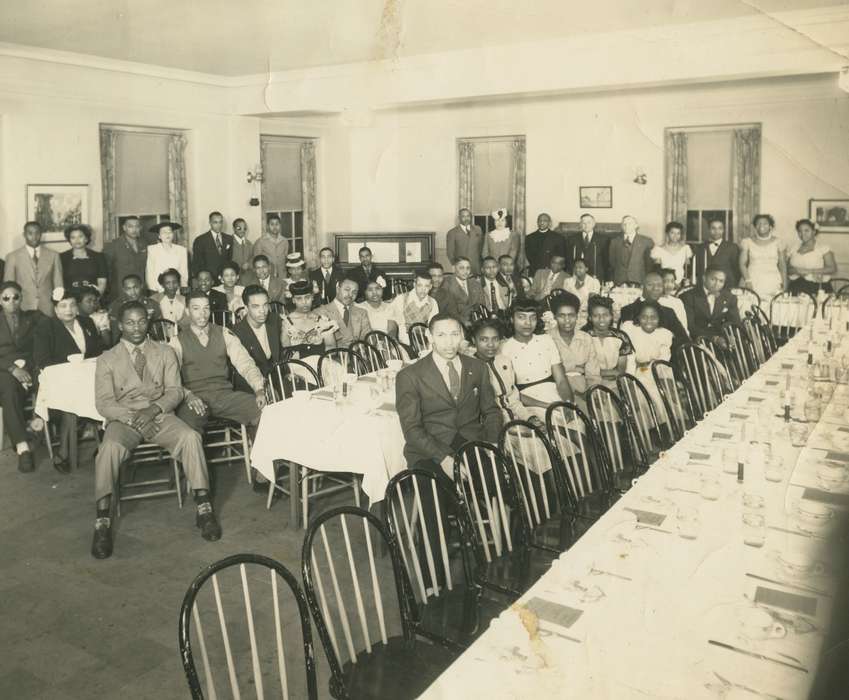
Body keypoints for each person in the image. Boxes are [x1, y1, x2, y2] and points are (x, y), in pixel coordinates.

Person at [91, 301, 219, 559]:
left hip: (159, 414)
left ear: (148, 322)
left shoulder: (164, 352)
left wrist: (153, 411)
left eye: (141, 321)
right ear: (119, 325)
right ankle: (102, 521)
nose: (136, 327)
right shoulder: (107, 359)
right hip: (124, 419)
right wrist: (133, 417)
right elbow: (104, 403)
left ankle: (204, 507)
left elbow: (174, 391)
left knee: (191, 437)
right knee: (108, 449)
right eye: (130, 322)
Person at [395, 313, 501, 584]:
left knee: (499, 484)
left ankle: (499, 559)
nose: (449, 342)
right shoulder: (410, 375)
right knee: (432, 500)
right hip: (429, 448)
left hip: (468, 441)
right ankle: (433, 580)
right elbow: (412, 430)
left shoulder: (476, 367)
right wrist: (443, 458)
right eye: (441, 335)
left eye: (455, 334)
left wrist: (491, 444)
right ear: (429, 338)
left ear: (463, 337)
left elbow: (491, 411)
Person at [171, 292, 267, 437]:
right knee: (188, 430)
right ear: (187, 311)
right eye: (196, 308)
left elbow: (245, 364)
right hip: (193, 399)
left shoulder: (224, 333)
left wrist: (259, 388)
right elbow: (171, 378)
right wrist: (188, 396)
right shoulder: (176, 341)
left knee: (264, 411)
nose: (202, 314)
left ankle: (261, 459)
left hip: (224, 396)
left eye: (206, 308)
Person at [33, 288, 104, 473]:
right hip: (60, 383)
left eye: (72, 304)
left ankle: (106, 444)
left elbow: (97, 351)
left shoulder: (86, 322)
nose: (69, 310)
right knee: (69, 404)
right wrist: (69, 365)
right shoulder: (46, 328)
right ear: (55, 310)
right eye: (63, 306)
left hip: (89, 379)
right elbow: (42, 360)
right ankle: (64, 453)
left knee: (107, 392)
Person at [500, 299, 574, 421]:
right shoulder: (504, 349)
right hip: (527, 403)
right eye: (521, 317)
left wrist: (567, 404)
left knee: (579, 428)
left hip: (555, 395)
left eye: (532, 318)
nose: (527, 323)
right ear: (512, 319)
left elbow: (561, 380)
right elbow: (511, 394)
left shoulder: (547, 340)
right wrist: (547, 406)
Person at [0, 281, 41, 472]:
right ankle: (23, 448)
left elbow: (42, 345)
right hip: (4, 370)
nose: (12, 302)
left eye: (15, 297)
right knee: (8, 390)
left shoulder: (32, 318)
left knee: (52, 383)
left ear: (21, 298)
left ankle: (60, 435)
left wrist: (30, 367)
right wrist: (12, 369)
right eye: (6, 298)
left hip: (31, 367)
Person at [472, 317, 541, 428]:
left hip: (517, 418)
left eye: (495, 339)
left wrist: (529, 417)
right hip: (493, 426)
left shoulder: (504, 361)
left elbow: (513, 400)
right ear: (474, 340)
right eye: (484, 340)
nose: (491, 345)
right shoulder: (469, 368)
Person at [620, 300, 673, 423]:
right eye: (644, 317)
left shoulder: (664, 334)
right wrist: (630, 385)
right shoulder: (631, 330)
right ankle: (647, 432)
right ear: (638, 317)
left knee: (663, 396)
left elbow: (663, 364)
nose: (649, 321)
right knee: (641, 396)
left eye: (653, 317)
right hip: (635, 373)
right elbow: (630, 362)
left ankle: (665, 428)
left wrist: (667, 385)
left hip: (656, 374)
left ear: (659, 318)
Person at [547, 293, 601, 411]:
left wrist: (593, 393)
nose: (567, 320)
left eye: (571, 315)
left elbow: (593, 374)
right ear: (555, 317)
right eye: (562, 315)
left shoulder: (586, 338)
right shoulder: (546, 339)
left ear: (577, 316)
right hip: (556, 390)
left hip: (583, 388)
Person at [4, 221, 64, 317]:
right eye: (30, 233)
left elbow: (59, 285)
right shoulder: (12, 257)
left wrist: (57, 305)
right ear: (24, 235)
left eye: (37, 233)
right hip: (23, 307)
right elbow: (8, 287)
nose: (34, 236)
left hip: (47, 307)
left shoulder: (54, 255)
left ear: (41, 234)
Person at [618, 272, 689, 350]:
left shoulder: (669, 312)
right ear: (642, 287)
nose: (655, 288)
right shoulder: (628, 310)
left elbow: (684, 340)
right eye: (650, 285)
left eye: (659, 285)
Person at [232, 285, 282, 390]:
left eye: (265, 305)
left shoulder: (274, 320)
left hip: (278, 378)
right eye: (256, 306)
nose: (262, 311)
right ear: (246, 308)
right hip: (252, 386)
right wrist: (262, 387)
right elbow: (242, 372)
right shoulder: (237, 333)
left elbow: (281, 353)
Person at [679, 267, 741, 347]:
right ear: (704, 278)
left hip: (723, 340)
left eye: (721, 281)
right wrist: (714, 338)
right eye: (713, 279)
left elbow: (735, 322)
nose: (716, 284)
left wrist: (732, 336)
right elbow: (690, 326)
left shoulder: (730, 298)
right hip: (696, 340)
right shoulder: (688, 297)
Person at [281, 280, 338, 358]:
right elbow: (286, 353)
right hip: (297, 366)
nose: (304, 302)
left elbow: (332, 349)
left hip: (321, 363)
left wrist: (303, 353)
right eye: (299, 299)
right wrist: (317, 350)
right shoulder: (287, 323)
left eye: (307, 297)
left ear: (312, 297)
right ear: (293, 300)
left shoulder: (322, 321)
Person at [585, 295, 631, 391]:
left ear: (611, 316)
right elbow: (583, 369)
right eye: (596, 316)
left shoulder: (621, 337)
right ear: (589, 318)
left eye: (605, 315)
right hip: (589, 383)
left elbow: (620, 370)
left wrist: (598, 372)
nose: (601, 319)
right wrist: (610, 372)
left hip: (615, 383)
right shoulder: (584, 337)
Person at [739, 214, 787, 300]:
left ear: (770, 227)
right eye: (758, 224)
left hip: (773, 280)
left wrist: (785, 283)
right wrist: (747, 280)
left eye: (765, 223)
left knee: (772, 307)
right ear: (755, 227)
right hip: (752, 279)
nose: (761, 226)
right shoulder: (747, 242)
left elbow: (782, 265)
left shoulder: (778, 242)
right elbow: (742, 264)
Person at [316, 278, 372, 348]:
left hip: (358, 356)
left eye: (354, 292)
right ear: (337, 289)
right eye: (347, 290)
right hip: (333, 357)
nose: (350, 295)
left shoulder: (362, 313)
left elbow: (369, 339)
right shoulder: (320, 312)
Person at [387, 268, 439, 344]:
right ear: (414, 285)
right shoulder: (401, 299)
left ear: (431, 287)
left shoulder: (433, 302)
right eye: (420, 285)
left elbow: (433, 326)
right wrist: (392, 336)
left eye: (427, 286)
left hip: (423, 339)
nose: (423, 289)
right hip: (403, 338)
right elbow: (392, 320)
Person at [787, 218, 837, 296]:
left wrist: (808, 271)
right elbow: (787, 268)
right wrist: (797, 271)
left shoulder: (823, 248)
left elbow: (832, 269)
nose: (803, 234)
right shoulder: (793, 248)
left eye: (806, 230)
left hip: (817, 287)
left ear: (814, 232)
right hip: (796, 287)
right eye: (800, 231)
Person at [103, 216, 147, 302]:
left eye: (137, 226)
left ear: (140, 228)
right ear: (124, 228)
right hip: (120, 290)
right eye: (130, 226)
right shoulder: (113, 245)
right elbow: (106, 270)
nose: (134, 229)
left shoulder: (144, 244)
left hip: (140, 290)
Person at [108, 274, 160, 340]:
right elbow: (115, 332)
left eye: (136, 287)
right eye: (128, 289)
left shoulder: (152, 304)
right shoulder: (116, 306)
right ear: (123, 289)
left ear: (141, 286)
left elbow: (159, 329)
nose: (133, 292)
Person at [59, 224, 108, 295]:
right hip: (70, 299)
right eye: (73, 237)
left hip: (92, 299)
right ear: (69, 240)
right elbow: (59, 282)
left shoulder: (98, 257)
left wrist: (95, 299)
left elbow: (102, 282)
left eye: (80, 236)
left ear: (86, 238)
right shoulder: (62, 257)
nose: (77, 240)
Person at [692, 218, 740, 288]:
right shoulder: (700, 248)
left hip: (726, 286)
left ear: (723, 230)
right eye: (713, 228)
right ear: (709, 230)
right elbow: (697, 270)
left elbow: (736, 271)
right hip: (705, 286)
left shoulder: (732, 247)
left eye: (719, 228)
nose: (716, 231)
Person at [608, 215, 654, 285]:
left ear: (636, 225)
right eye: (624, 224)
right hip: (620, 281)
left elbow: (649, 265)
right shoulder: (614, 242)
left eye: (629, 224)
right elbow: (612, 262)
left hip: (639, 280)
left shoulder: (647, 241)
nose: (626, 226)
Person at [145, 222, 189, 293]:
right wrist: (154, 289)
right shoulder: (152, 249)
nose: (167, 234)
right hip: (158, 289)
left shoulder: (181, 250)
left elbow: (183, 272)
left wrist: (183, 287)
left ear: (173, 234)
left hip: (175, 288)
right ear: (159, 236)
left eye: (169, 232)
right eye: (164, 232)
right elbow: (150, 272)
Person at [440, 257, 485, 325]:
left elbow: (482, 305)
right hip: (455, 322)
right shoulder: (446, 284)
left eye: (468, 268)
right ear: (453, 268)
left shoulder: (476, 284)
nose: (465, 271)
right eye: (461, 268)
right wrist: (463, 321)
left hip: (476, 321)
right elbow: (447, 311)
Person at [566, 213, 609, 282]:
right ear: (580, 224)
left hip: (596, 276)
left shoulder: (603, 240)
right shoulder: (572, 239)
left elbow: (606, 262)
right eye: (583, 223)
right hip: (577, 276)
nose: (586, 225)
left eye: (589, 222)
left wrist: (606, 279)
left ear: (594, 224)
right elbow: (569, 259)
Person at [192, 211, 233, 281]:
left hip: (224, 279)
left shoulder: (229, 239)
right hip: (208, 279)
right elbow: (196, 263)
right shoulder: (200, 240)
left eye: (220, 222)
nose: (219, 225)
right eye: (215, 222)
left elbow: (229, 259)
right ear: (210, 223)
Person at [563, 258, 601, 328]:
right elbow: (565, 300)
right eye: (575, 267)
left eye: (580, 267)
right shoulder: (568, 281)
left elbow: (592, 302)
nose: (577, 270)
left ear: (586, 269)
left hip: (586, 315)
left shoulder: (594, 282)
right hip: (571, 312)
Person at [445, 208, 484, 275]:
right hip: (461, 268)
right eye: (463, 216)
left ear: (471, 217)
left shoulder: (478, 229)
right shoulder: (452, 232)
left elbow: (481, 248)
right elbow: (450, 253)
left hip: (476, 267)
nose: (466, 218)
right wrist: (456, 266)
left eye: (468, 216)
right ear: (459, 218)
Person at [659, 268, 689, 334]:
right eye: (665, 281)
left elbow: (684, 326)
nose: (669, 285)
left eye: (672, 281)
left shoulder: (678, 302)